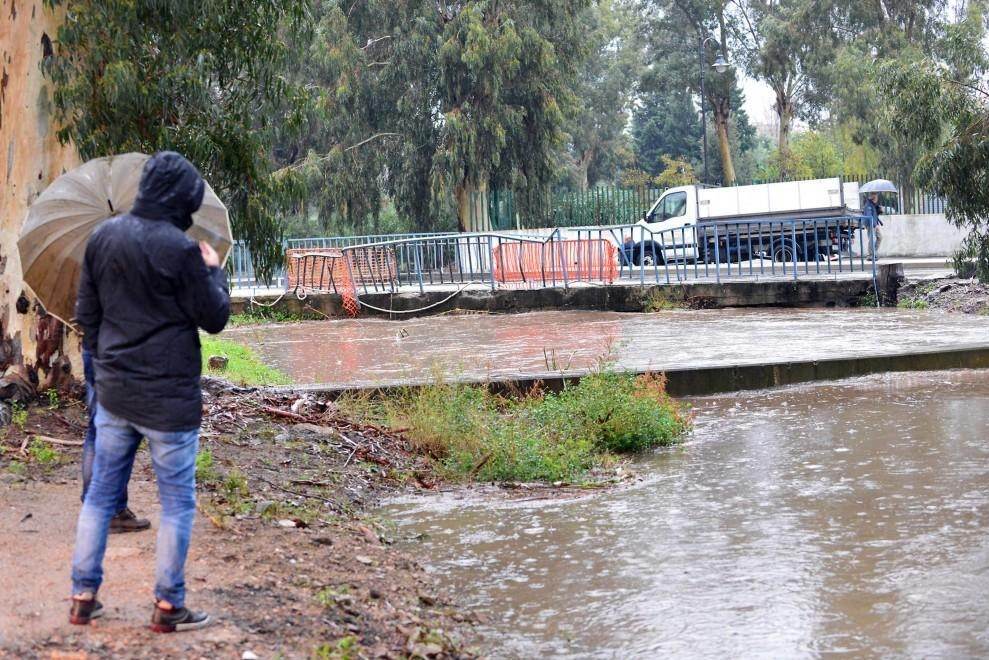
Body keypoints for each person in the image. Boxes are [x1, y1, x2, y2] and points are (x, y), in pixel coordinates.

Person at [70, 152, 230, 632]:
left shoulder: (102, 237)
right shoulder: (181, 250)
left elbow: (88, 316)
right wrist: (213, 269)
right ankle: (168, 606)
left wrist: (104, 371)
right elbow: (214, 317)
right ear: (182, 198)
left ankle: (82, 597)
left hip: (116, 396)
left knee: (99, 497)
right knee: (177, 503)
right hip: (169, 403)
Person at [80, 347, 151, 534]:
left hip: (94, 347)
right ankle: (110, 511)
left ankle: (99, 508)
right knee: (121, 430)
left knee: (97, 429)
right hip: (120, 349)